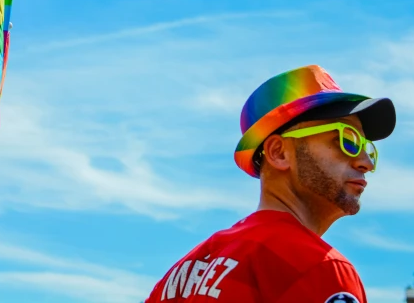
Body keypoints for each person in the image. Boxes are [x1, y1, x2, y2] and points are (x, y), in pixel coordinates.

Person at [145, 65, 396, 303]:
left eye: (366, 148)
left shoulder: (177, 280)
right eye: (347, 139)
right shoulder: (318, 266)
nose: (366, 163)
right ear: (279, 153)